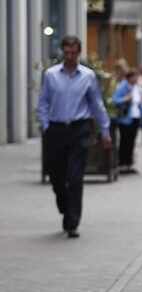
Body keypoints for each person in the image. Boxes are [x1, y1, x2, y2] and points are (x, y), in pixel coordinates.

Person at [37, 35, 111, 238]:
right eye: (66, 52)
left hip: (79, 130)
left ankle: (73, 223)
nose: (69, 56)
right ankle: (64, 207)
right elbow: (43, 102)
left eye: (73, 53)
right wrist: (45, 127)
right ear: (63, 52)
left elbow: (96, 105)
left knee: (75, 177)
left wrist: (105, 131)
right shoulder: (51, 75)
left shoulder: (87, 76)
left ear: (78, 53)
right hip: (56, 130)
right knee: (57, 177)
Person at [112, 68, 142, 173]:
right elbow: (114, 100)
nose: (136, 78)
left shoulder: (137, 89)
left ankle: (129, 164)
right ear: (129, 77)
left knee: (132, 142)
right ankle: (121, 164)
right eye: (134, 76)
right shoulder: (122, 87)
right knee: (124, 141)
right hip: (125, 119)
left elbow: (140, 104)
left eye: (137, 76)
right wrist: (125, 99)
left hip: (136, 118)